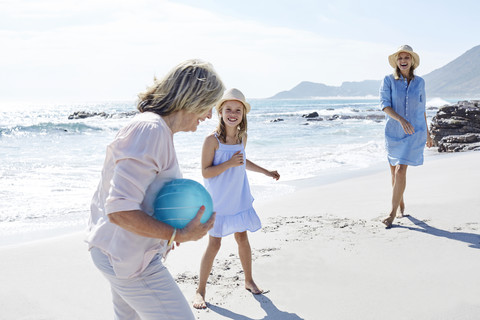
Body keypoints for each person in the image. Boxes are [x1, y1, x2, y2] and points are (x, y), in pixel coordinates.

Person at [85, 59, 225, 320]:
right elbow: (119, 210)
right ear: (193, 98)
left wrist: (166, 234)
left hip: (120, 251)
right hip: (127, 258)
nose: (208, 116)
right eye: (208, 106)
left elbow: (138, 199)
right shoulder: (150, 130)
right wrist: (177, 234)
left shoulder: (156, 130)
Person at [193, 88, 280, 309]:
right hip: (219, 200)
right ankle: (200, 290)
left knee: (242, 238)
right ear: (220, 111)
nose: (233, 113)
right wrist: (228, 164)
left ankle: (248, 280)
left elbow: (242, 161)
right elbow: (206, 172)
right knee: (214, 243)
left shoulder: (242, 137)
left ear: (243, 114)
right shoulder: (211, 140)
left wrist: (266, 172)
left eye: (238, 110)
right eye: (229, 109)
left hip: (238, 196)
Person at [379, 45, 433, 228]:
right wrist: (401, 120)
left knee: (401, 169)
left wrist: (428, 133)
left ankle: (392, 214)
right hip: (393, 132)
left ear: (412, 61)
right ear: (396, 61)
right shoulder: (388, 80)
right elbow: (385, 106)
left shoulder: (420, 82)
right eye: (400, 58)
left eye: (406, 58)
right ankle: (400, 202)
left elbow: (422, 108)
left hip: (414, 131)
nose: (403, 61)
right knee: (394, 173)